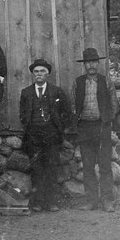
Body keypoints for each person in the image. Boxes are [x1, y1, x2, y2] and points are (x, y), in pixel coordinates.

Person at [19, 59, 71, 213]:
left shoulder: (56, 91)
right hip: (33, 137)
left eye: (42, 71)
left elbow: (66, 112)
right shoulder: (26, 92)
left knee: (51, 168)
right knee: (36, 169)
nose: (39, 74)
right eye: (36, 72)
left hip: (51, 136)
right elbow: (22, 114)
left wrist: (59, 128)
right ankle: (38, 202)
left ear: (47, 74)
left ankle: (51, 202)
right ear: (33, 74)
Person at [71, 48, 119, 212]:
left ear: (98, 63)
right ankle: (92, 201)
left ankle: (107, 200)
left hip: (102, 127)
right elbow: (73, 105)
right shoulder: (78, 82)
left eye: (93, 62)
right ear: (84, 65)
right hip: (84, 128)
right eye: (87, 62)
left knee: (105, 165)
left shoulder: (106, 82)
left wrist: (107, 121)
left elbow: (114, 106)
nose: (91, 65)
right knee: (88, 166)